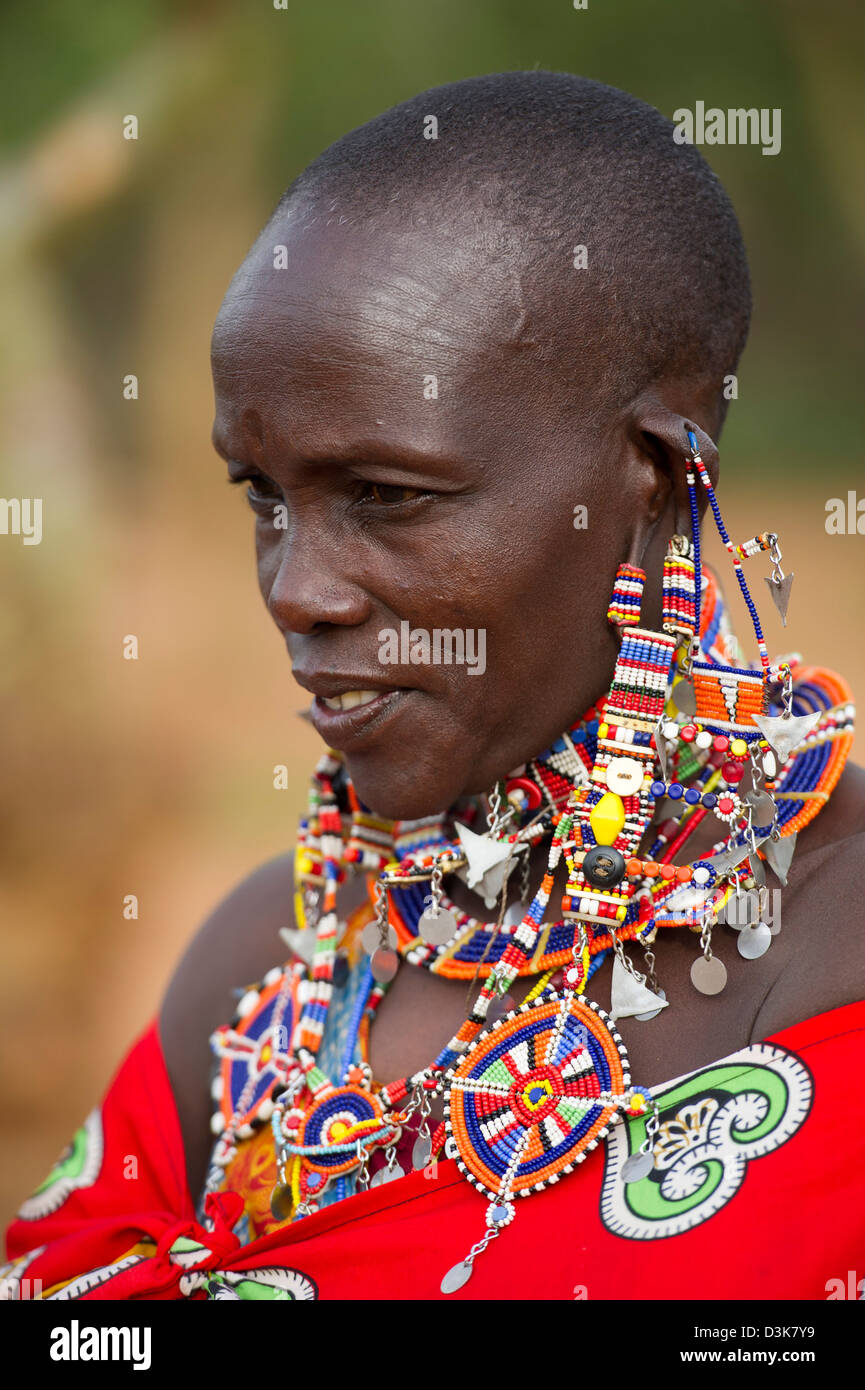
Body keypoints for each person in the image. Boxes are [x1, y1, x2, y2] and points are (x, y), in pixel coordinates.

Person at [4, 70, 865, 1303]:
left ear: (659, 489)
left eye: (389, 497)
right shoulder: (267, 974)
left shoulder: (837, 955)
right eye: (263, 495)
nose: (299, 589)